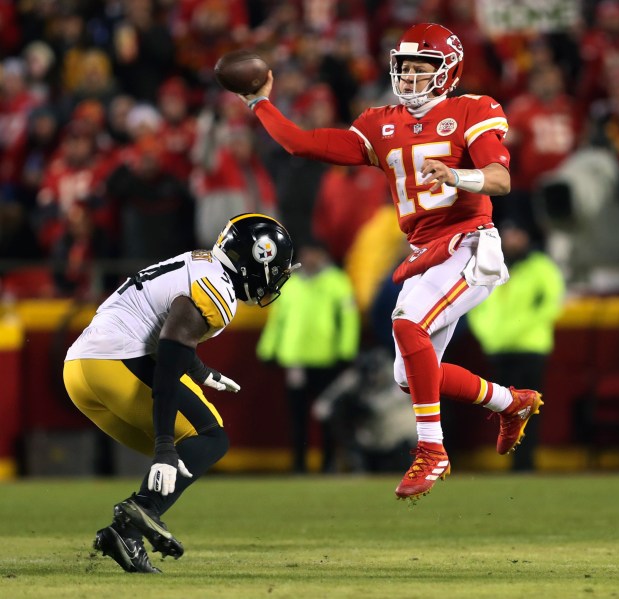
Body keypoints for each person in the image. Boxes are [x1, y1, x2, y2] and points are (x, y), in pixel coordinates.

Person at [238, 22, 543, 501]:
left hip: (469, 242)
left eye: (422, 68)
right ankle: (510, 402)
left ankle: (432, 450)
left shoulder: (473, 109)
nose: (410, 77)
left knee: (406, 323)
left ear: (447, 72)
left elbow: (500, 180)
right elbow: (302, 143)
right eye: (404, 67)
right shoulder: (380, 122)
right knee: (409, 375)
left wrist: (457, 177)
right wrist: (260, 103)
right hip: (425, 254)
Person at [63, 213, 296, 573]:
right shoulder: (216, 289)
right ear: (257, 259)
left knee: (195, 448)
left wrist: (202, 372)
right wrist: (164, 445)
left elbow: (165, 343)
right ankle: (138, 516)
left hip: (81, 370)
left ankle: (124, 533)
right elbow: (169, 362)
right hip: (112, 362)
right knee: (208, 439)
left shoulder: (202, 263)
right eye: (276, 267)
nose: (278, 277)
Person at [466, 221, 565, 471]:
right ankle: (515, 463)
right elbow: (473, 304)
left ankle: (524, 463)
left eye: (516, 234)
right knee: (506, 413)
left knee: (527, 410)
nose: (512, 240)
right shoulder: (490, 266)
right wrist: (488, 333)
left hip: (530, 348)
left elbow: (551, 303)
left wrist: (516, 329)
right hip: (498, 348)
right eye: (507, 235)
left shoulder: (541, 267)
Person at [256, 240, 360, 473]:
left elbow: (349, 320)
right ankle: (299, 464)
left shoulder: (337, 282)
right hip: (296, 359)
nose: (309, 258)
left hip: (327, 359)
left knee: (328, 415)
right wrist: (267, 350)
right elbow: (277, 321)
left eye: (313, 253)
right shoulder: (290, 284)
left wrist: (346, 352)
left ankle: (328, 463)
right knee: (297, 417)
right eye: (306, 253)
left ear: (322, 255)